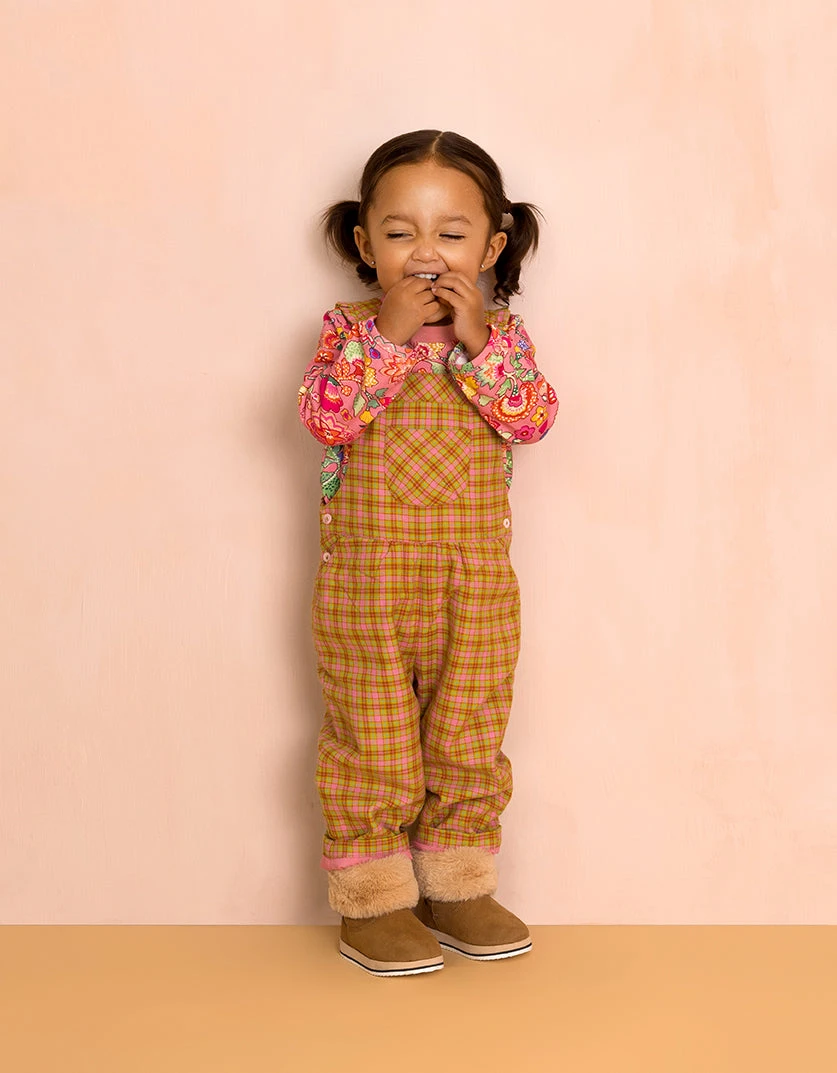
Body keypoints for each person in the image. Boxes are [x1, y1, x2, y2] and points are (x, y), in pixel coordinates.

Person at [297, 130, 559, 976]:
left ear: (491, 248)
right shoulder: (349, 334)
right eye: (399, 232)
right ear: (364, 243)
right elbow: (327, 417)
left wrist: (478, 339)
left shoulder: (501, 340)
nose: (425, 253)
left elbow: (531, 418)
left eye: (450, 233)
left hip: (474, 584)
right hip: (366, 584)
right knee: (371, 738)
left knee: (468, 730)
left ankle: (457, 884)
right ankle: (372, 899)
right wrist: (388, 337)